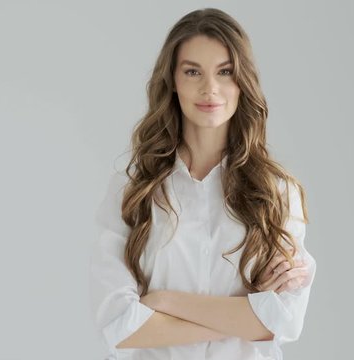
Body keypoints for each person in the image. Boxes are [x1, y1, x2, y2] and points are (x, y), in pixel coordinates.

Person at [88, 7, 316, 360]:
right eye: (193, 71)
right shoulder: (133, 191)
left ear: (242, 82)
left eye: (224, 72)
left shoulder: (277, 194)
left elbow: (281, 321)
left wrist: (164, 302)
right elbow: (119, 326)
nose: (210, 88)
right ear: (173, 81)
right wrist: (244, 313)